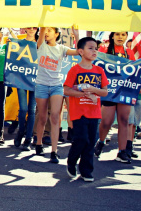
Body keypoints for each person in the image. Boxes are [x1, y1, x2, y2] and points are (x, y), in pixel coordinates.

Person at [64, 37, 109, 182]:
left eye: (96, 48)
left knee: (90, 141)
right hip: (79, 112)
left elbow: (104, 92)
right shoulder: (74, 70)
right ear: (81, 51)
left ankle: (86, 171)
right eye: (90, 48)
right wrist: (83, 93)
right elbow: (66, 90)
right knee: (81, 139)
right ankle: (71, 161)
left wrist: (94, 89)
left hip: (94, 112)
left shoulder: (99, 70)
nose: (94, 51)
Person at [34, 27, 79, 163]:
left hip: (56, 86)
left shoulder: (62, 49)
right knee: (42, 117)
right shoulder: (41, 45)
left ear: (57, 34)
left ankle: (54, 151)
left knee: (55, 116)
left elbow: (79, 51)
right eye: (45, 30)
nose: (46, 33)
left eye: (50, 30)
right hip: (41, 85)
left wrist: (76, 35)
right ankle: (38, 143)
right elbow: (41, 30)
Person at [95, 32, 137, 164]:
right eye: (117, 34)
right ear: (112, 36)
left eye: (123, 34)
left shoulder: (129, 52)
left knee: (124, 120)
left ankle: (122, 151)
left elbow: (136, 70)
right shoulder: (104, 49)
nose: (120, 37)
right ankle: (101, 142)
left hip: (124, 90)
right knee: (107, 122)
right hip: (110, 90)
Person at [13, 27, 39, 150]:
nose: (32, 29)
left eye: (34, 27)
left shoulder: (41, 44)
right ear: (25, 29)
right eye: (29, 27)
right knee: (23, 109)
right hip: (21, 78)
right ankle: (20, 132)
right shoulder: (19, 42)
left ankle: (28, 139)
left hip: (36, 80)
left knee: (32, 110)